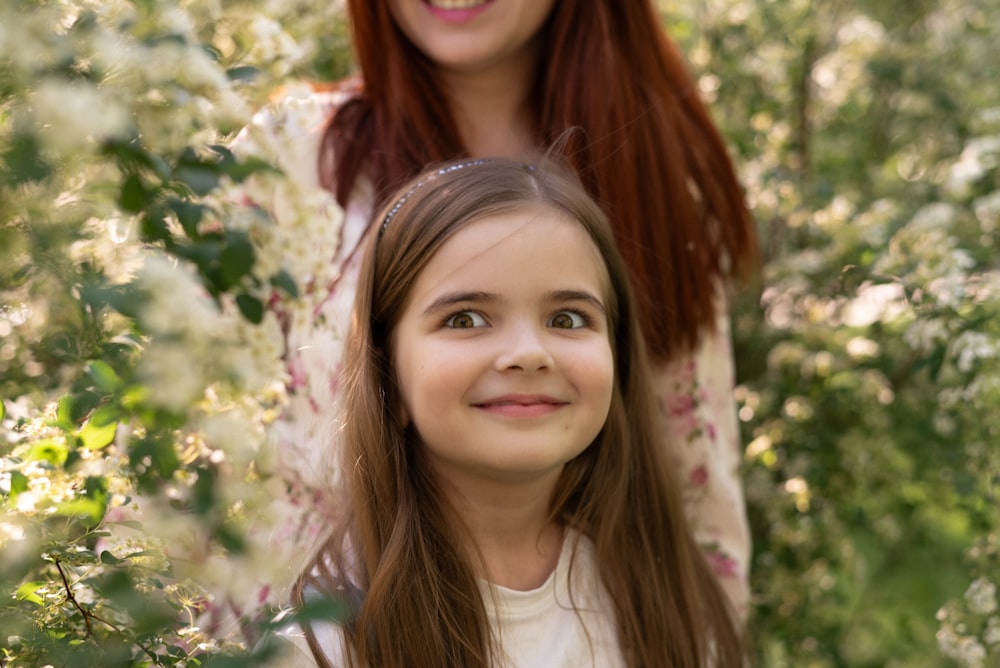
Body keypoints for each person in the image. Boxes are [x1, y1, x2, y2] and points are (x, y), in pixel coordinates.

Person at [233, 0, 756, 620]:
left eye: (566, 317)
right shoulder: (288, 163)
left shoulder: (648, 172)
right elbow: (172, 453)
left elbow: (692, 490)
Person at [282, 156, 745, 667]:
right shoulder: (323, 641)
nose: (528, 352)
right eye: (465, 318)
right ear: (386, 372)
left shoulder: (664, 604)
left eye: (567, 318)